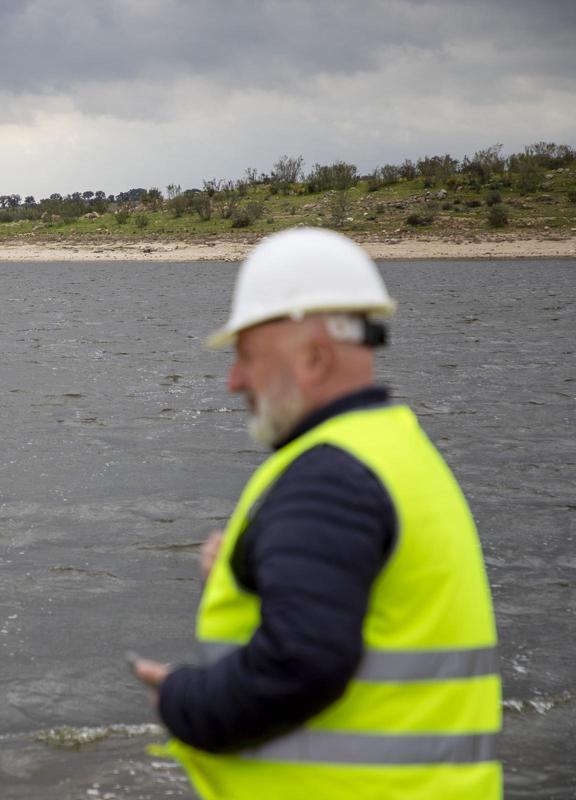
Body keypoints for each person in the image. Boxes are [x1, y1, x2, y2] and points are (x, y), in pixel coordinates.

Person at [132, 228, 500, 798]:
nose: (233, 382)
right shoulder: (396, 450)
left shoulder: (329, 479)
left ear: (312, 357)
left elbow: (302, 663)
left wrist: (183, 699)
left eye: (245, 357)